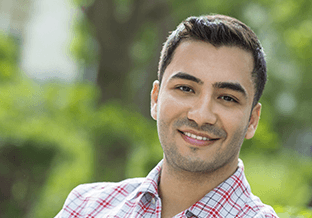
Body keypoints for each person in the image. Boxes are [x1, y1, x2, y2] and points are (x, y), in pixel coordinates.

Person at [55, 14, 278, 218]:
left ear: (252, 120)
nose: (201, 116)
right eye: (186, 89)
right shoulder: (85, 207)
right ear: (155, 99)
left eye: (227, 98)